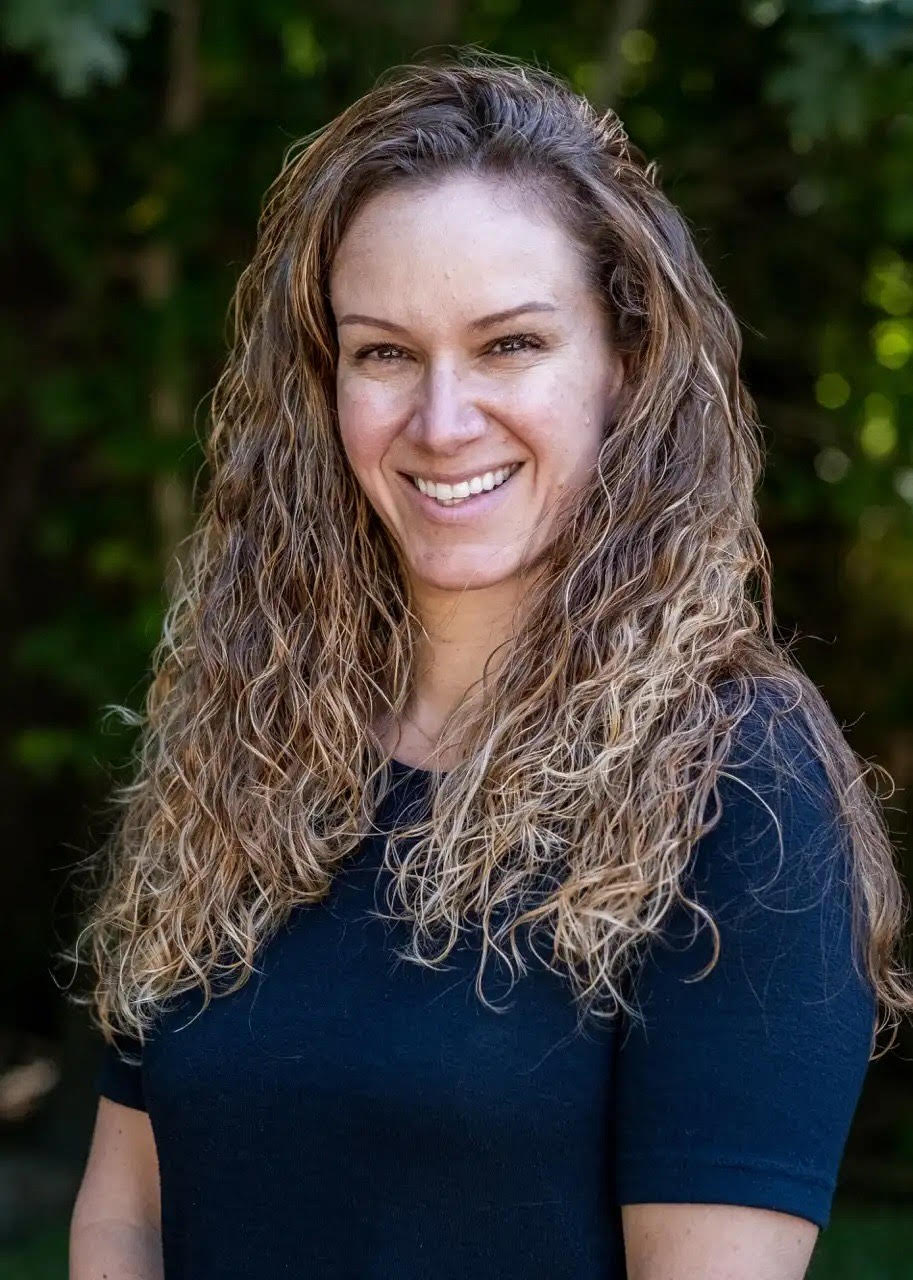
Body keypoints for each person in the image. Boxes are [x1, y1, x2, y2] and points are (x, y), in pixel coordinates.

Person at [68, 49, 912, 1280]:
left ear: (624, 363)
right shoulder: (242, 743)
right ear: (324, 382)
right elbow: (123, 1209)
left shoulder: (739, 785)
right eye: (383, 352)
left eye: (510, 343)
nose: (443, 419)